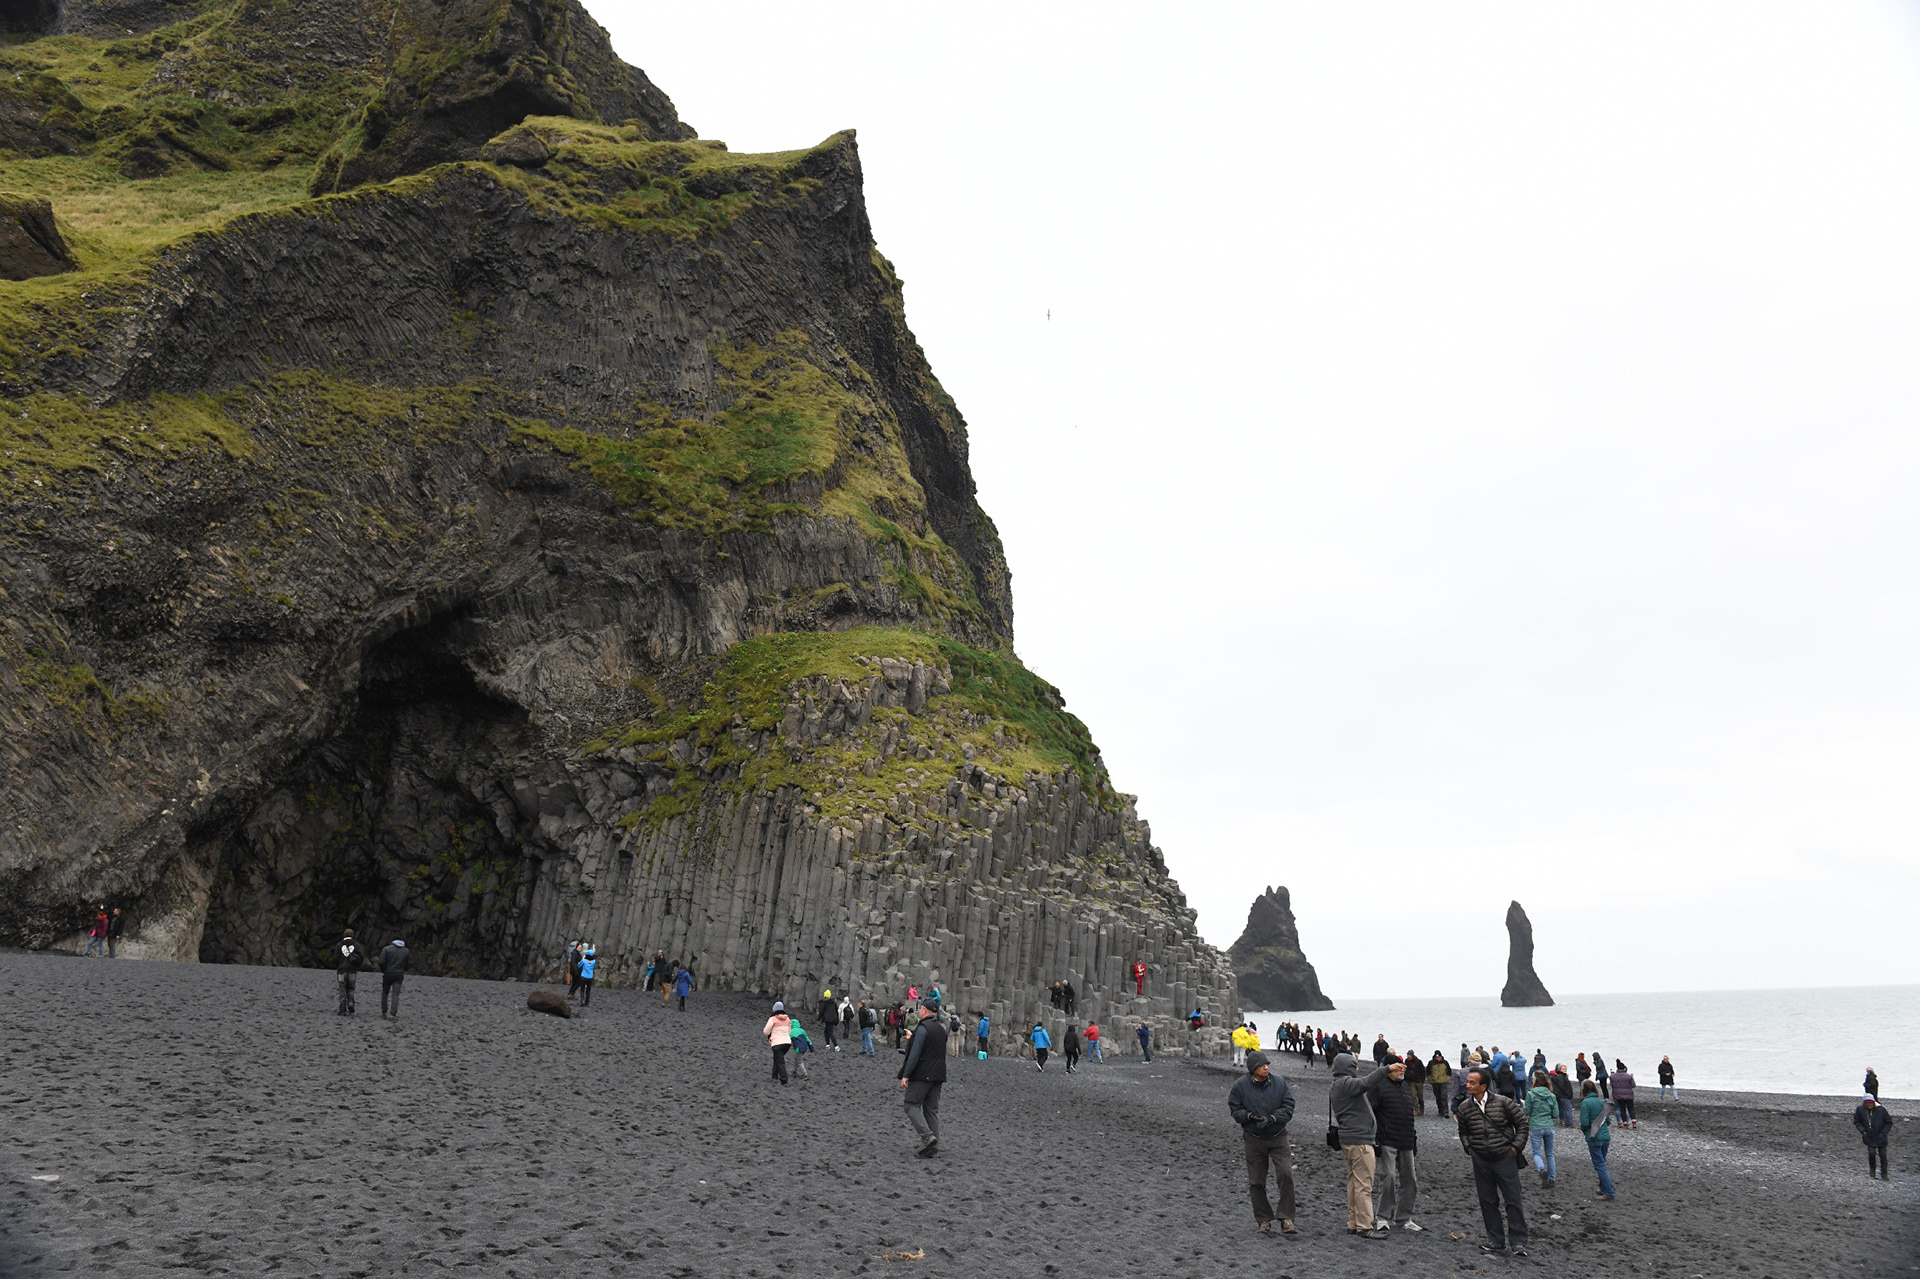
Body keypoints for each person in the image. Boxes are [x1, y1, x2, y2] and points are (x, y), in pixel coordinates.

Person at [1457, 1065, 1530, 1256]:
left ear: (1484, 1085)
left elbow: (1522, 1124)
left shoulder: (1504, 1102)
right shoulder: (1464, 1107)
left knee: (1513, 1200)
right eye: (1468, 1082)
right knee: (1487, 1201)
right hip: (1481, 1159)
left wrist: (1515, 1149)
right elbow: (1463, 1131)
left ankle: (1519, 1243)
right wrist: (1469, 1148)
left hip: (1504, 1157)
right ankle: (1496, 1241)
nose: (1468, 1086)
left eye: (1472, 1083)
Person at [1228, 1050, 1299, 1236]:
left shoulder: (1279, 1083)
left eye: (1267, 1064)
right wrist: (1248, 1116)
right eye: (1262, 1066)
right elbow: (1235, 1109)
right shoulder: (1240, 1086)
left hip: (1278, 1136)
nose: (1266, 1067)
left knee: (1286, 1174)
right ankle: (1263, 1220)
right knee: (1256, 1181)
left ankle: (1286, 1218)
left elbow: (1289, 1106)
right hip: (1254, 1139)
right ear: (1253, 1069)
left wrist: (1274, 1118)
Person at [1327, 1053, 1390, 1239]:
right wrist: (1386, 1069)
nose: (1357, 1069)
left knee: (1354, 1182)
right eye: (1354, 1066)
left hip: (1350, 1140)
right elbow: (1366, 1083)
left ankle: (1354, 1222)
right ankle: (1364, 1225)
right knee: (1364, 1184)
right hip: (1359, 1141)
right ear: (1347, 1068)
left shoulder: (1338, 1085)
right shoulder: (1345, 1084)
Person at [1369, 1054, 1422, 1233]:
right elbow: (1371, 1113)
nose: (1401, 1071)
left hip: (1406, 1141)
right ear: (1389, 1069)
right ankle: (1383, 1217)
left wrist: (1413, 1141)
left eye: (1403, 1069)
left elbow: (1409, 1117)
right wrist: (1375, 1138)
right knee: (1388, 1178)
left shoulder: (1406, 1087)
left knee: (1410, 1181)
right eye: (1397, 1068)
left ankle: (1404, 1217)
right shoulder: (1378, 1087)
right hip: (1387, 1141)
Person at [899, 997, 948, 1156]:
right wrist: (912, 1038)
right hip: (938, 1075)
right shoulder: (941, 1029)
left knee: (911, 1104)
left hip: (923, 1074)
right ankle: (933, 1145)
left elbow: (915, 1054)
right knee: (931, 1109)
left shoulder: (922, 1028)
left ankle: (927, 1137)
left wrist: (906, 1074)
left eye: (921, 1009)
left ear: (924, 1010)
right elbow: (931, 1047)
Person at [1579, 1080, 1616, 1199]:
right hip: (1605, 1137)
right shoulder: (1601, 1102)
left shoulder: (1585, 1103)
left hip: (1594, 1137)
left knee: (1600, 1165)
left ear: (1583, 1089)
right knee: (1602, 1164)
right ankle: (1603, 1188)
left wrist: (1585, 1131)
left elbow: (1584, 1123)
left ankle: (1609, 1192)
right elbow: (1608, 1121)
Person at [1524, 1070, 1557, 1188]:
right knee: (1549, 1154)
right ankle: (1552, 1179)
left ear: (1534, 1081)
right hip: (1548, 1125)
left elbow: (1526, 1111)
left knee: (1537, 1152)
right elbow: (1556, 1113)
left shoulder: (1531, 1094)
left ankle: (1542, 1169)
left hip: (1536, 1126)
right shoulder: (1551, 1095)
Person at [1854, 1093, 1892, 1180]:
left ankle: (1884, 1174)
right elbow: (1857, 1121)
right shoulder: (1860, 1109)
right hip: (1869, 1137)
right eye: (1867, 1103)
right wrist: (1863, 1131)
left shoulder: (1881, 1110)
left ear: (1874, 1102)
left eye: (1871, 1103)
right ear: (1865, 1103)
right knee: (1871, 1153)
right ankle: (1872, 1171)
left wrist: (1883, 1133)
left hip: (1881, 1137)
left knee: (1883, 1155)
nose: (1869, 1105)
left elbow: (1889, 1122)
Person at [333, 929, 363, 1016]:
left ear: (344, 935)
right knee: (351, 989)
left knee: (342, 990)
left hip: (342, 971)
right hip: (352, 971)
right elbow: (361, 956)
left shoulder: (339, 945)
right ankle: (351, 1004)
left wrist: (338, 966)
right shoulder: (356, 945)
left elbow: (336, 958)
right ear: (352, 935)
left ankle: (342, 1009)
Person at [378, 938, 409, 1021]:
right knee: (395, 994)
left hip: (387, 973)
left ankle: (384, 1011)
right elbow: (409, 963)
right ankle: (393, 1014)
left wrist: (384, 970)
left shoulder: (386, 949)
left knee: (385, 993)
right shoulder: (406, 951)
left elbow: (381, 962)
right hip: (399, 974)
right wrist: (403, 969)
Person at [763, 1002, 793, 1085]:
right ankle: (774, 1076)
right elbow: (789, 1032)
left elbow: (766, 1031)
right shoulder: (788, 1020)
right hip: (787, 1043)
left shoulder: (772, 1019)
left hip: (777, 1043)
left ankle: (784, 1079)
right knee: (778, 1059)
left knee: (780, 1062)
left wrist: (772, 1034)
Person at [1610, 1061, 1637, 1128]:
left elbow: (1612, 1085)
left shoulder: (1613, 1076)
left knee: (1622, 1109)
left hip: (1619, 1095)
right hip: (1629, 1095)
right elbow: (1633, 1085)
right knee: (1631, 1108)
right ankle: (1633, 1121)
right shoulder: (1629, 1076)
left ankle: (1624, 1123)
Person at [1429, 1052, 1453, 1118]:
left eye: (1439, 1057)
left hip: (1443, 1082)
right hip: (1435, 1082)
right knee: (1438, 1097)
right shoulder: (1431, 1063)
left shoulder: (1445, 1063)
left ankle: (1445, 1111)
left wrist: (1447, 1079)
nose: (1438, 1058)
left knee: (1443, 1096)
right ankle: (1440, 1110)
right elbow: (1428, 1072)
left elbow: (1449, 1071)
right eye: (1437, 1057)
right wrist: (1431, 1080)